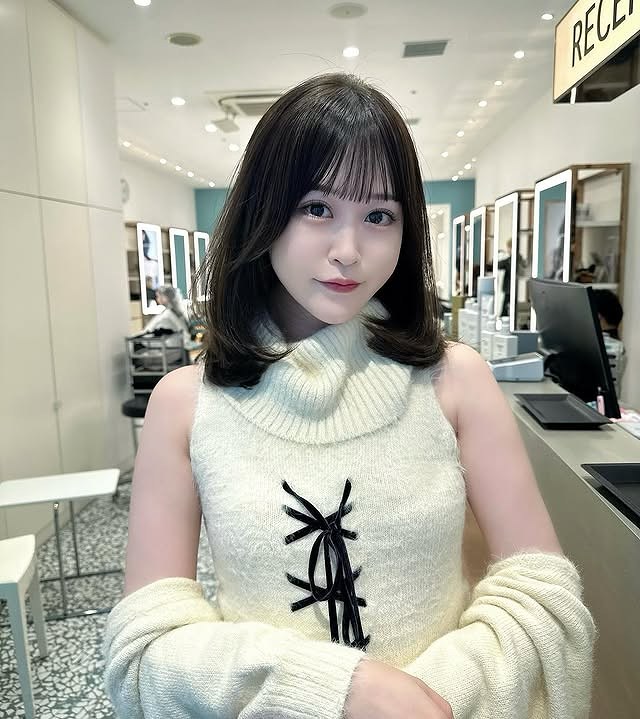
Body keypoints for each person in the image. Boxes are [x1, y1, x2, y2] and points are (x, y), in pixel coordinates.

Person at [103, 73, 595, 719]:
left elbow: (545, 595)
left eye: (379, 216)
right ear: (262, 213)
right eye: (316, 208)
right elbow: (146, 646)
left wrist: (427, 702)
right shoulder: (187, 403)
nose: (348, 251)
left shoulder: (455, 380)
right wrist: (336, 691)